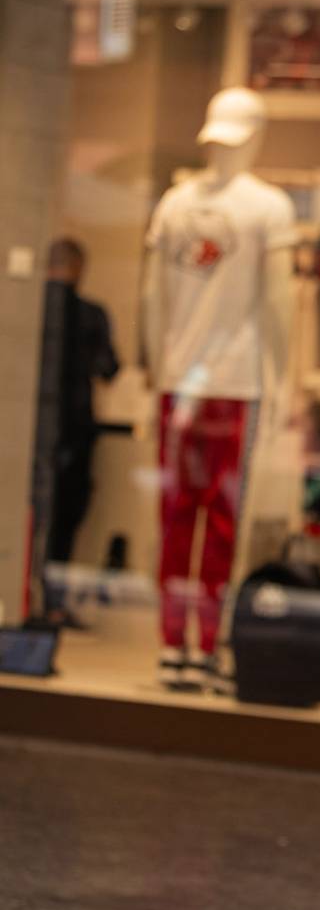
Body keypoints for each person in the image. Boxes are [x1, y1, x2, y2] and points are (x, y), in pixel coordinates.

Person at [36, 237, 119, 625]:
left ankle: (30, 595)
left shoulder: (31, 307)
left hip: (35, 428)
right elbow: (109, 367)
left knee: (37, 512)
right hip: (74, 426)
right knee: (65, 517)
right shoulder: (89, 314)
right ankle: (51, 602)